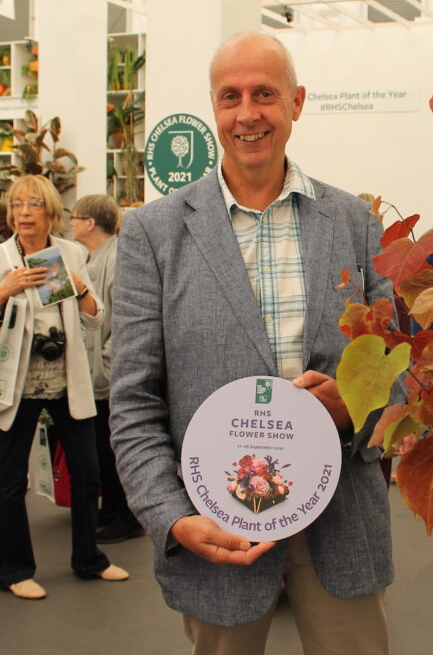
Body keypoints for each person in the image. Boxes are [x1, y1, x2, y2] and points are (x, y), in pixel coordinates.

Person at [110, 33, 404, 654]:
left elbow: (400, 367)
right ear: (214, 110)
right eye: (231, 97)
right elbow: (134, 401)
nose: (248, 113)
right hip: (216, 526)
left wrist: (356, 402)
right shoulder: (153, 233)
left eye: (265, 94)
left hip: (342, 520)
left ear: (297, 102)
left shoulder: (354, 221)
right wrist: (170, 515)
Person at [0, 175, 128, 600]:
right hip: (17, 382)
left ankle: (88, 558)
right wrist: (2, 292)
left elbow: (94, 317)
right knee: (11, 479)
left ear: (50, 210)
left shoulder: (71, 252)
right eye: (17, 205)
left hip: (67, 379)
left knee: (89, 474)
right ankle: (12, 570)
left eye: (34, 204)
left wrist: (78, 285)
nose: (25, 212)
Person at [68, 193, 141, 543]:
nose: (70, 223)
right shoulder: (90, 256)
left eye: (74, 217)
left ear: (90, 222)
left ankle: (126, 515)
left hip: (110, 373)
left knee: (115, 447)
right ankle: (111, 508)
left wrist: (108, 362)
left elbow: (121, 319)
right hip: (95, 373)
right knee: (100, 446)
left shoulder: (118, 258)